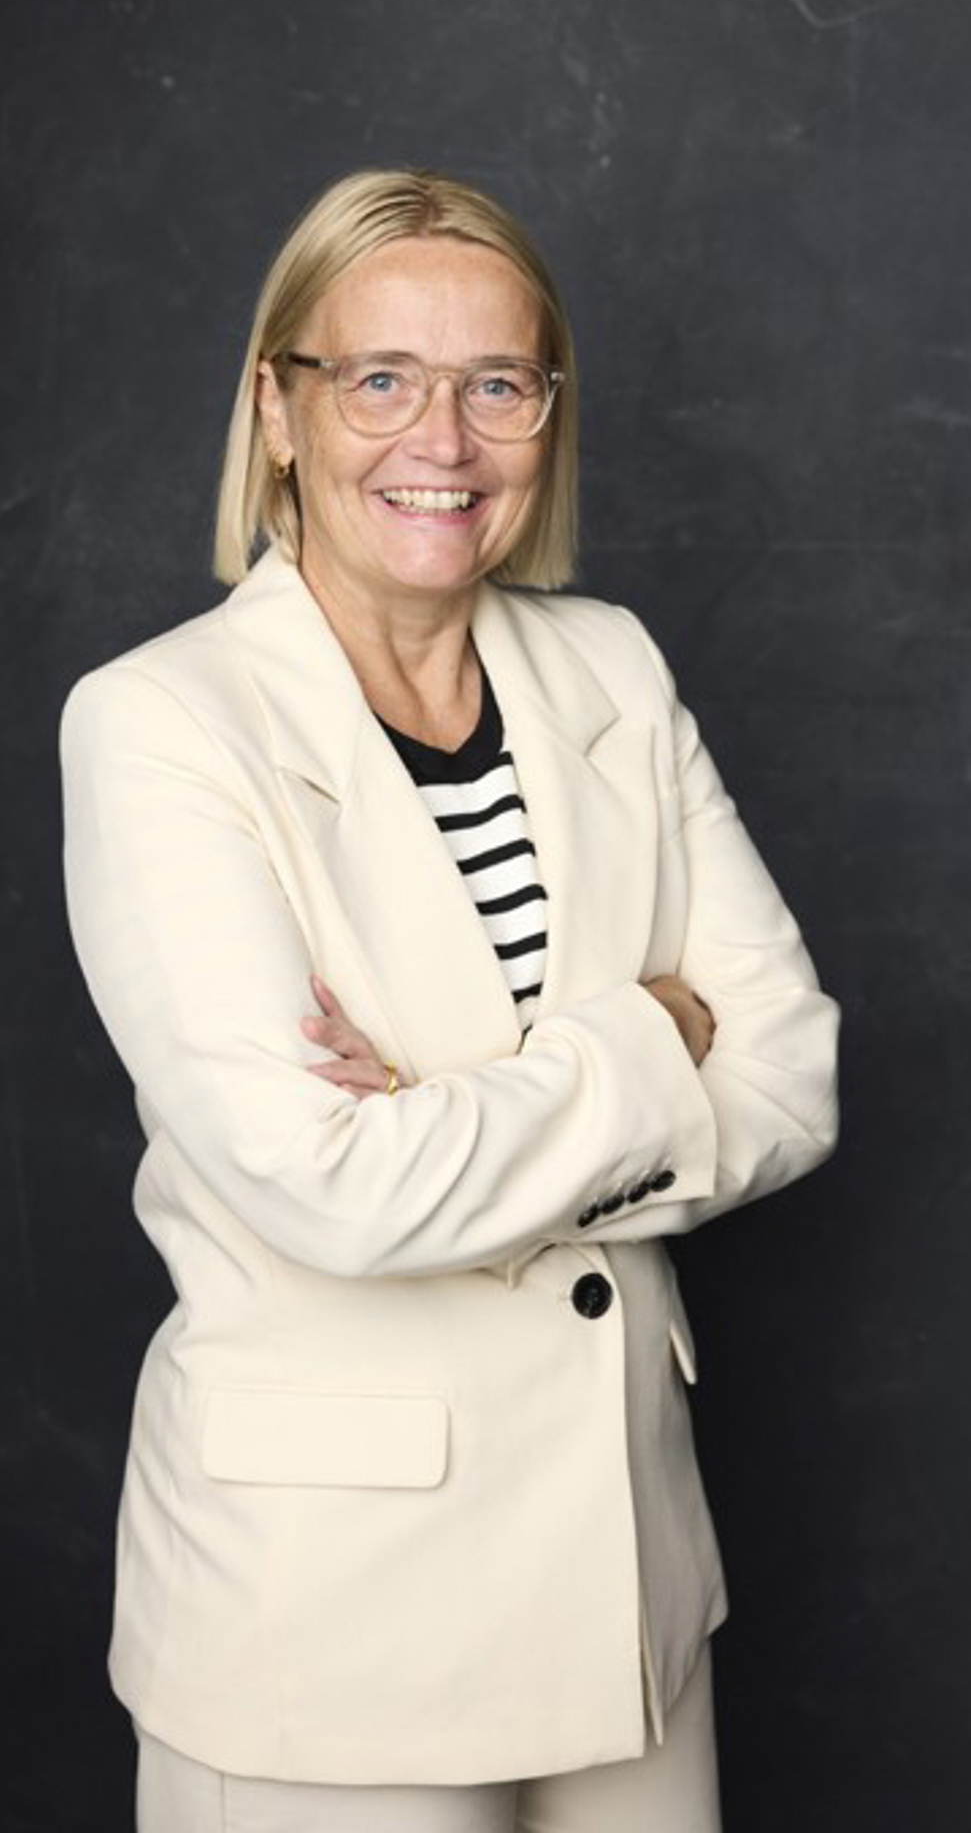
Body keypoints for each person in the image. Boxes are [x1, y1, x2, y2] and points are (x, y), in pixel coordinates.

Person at [61, 168, 840, 1833]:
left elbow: (792, 1078)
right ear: (279, 409)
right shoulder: (158, 725)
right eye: (380, 379)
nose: (446, 439)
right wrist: (654, 1035)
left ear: (549, 413)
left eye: (499, 382)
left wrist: (447, 1113)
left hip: (626, 1588)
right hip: (329, 1622)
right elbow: (332, 1188)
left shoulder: (612, 664)